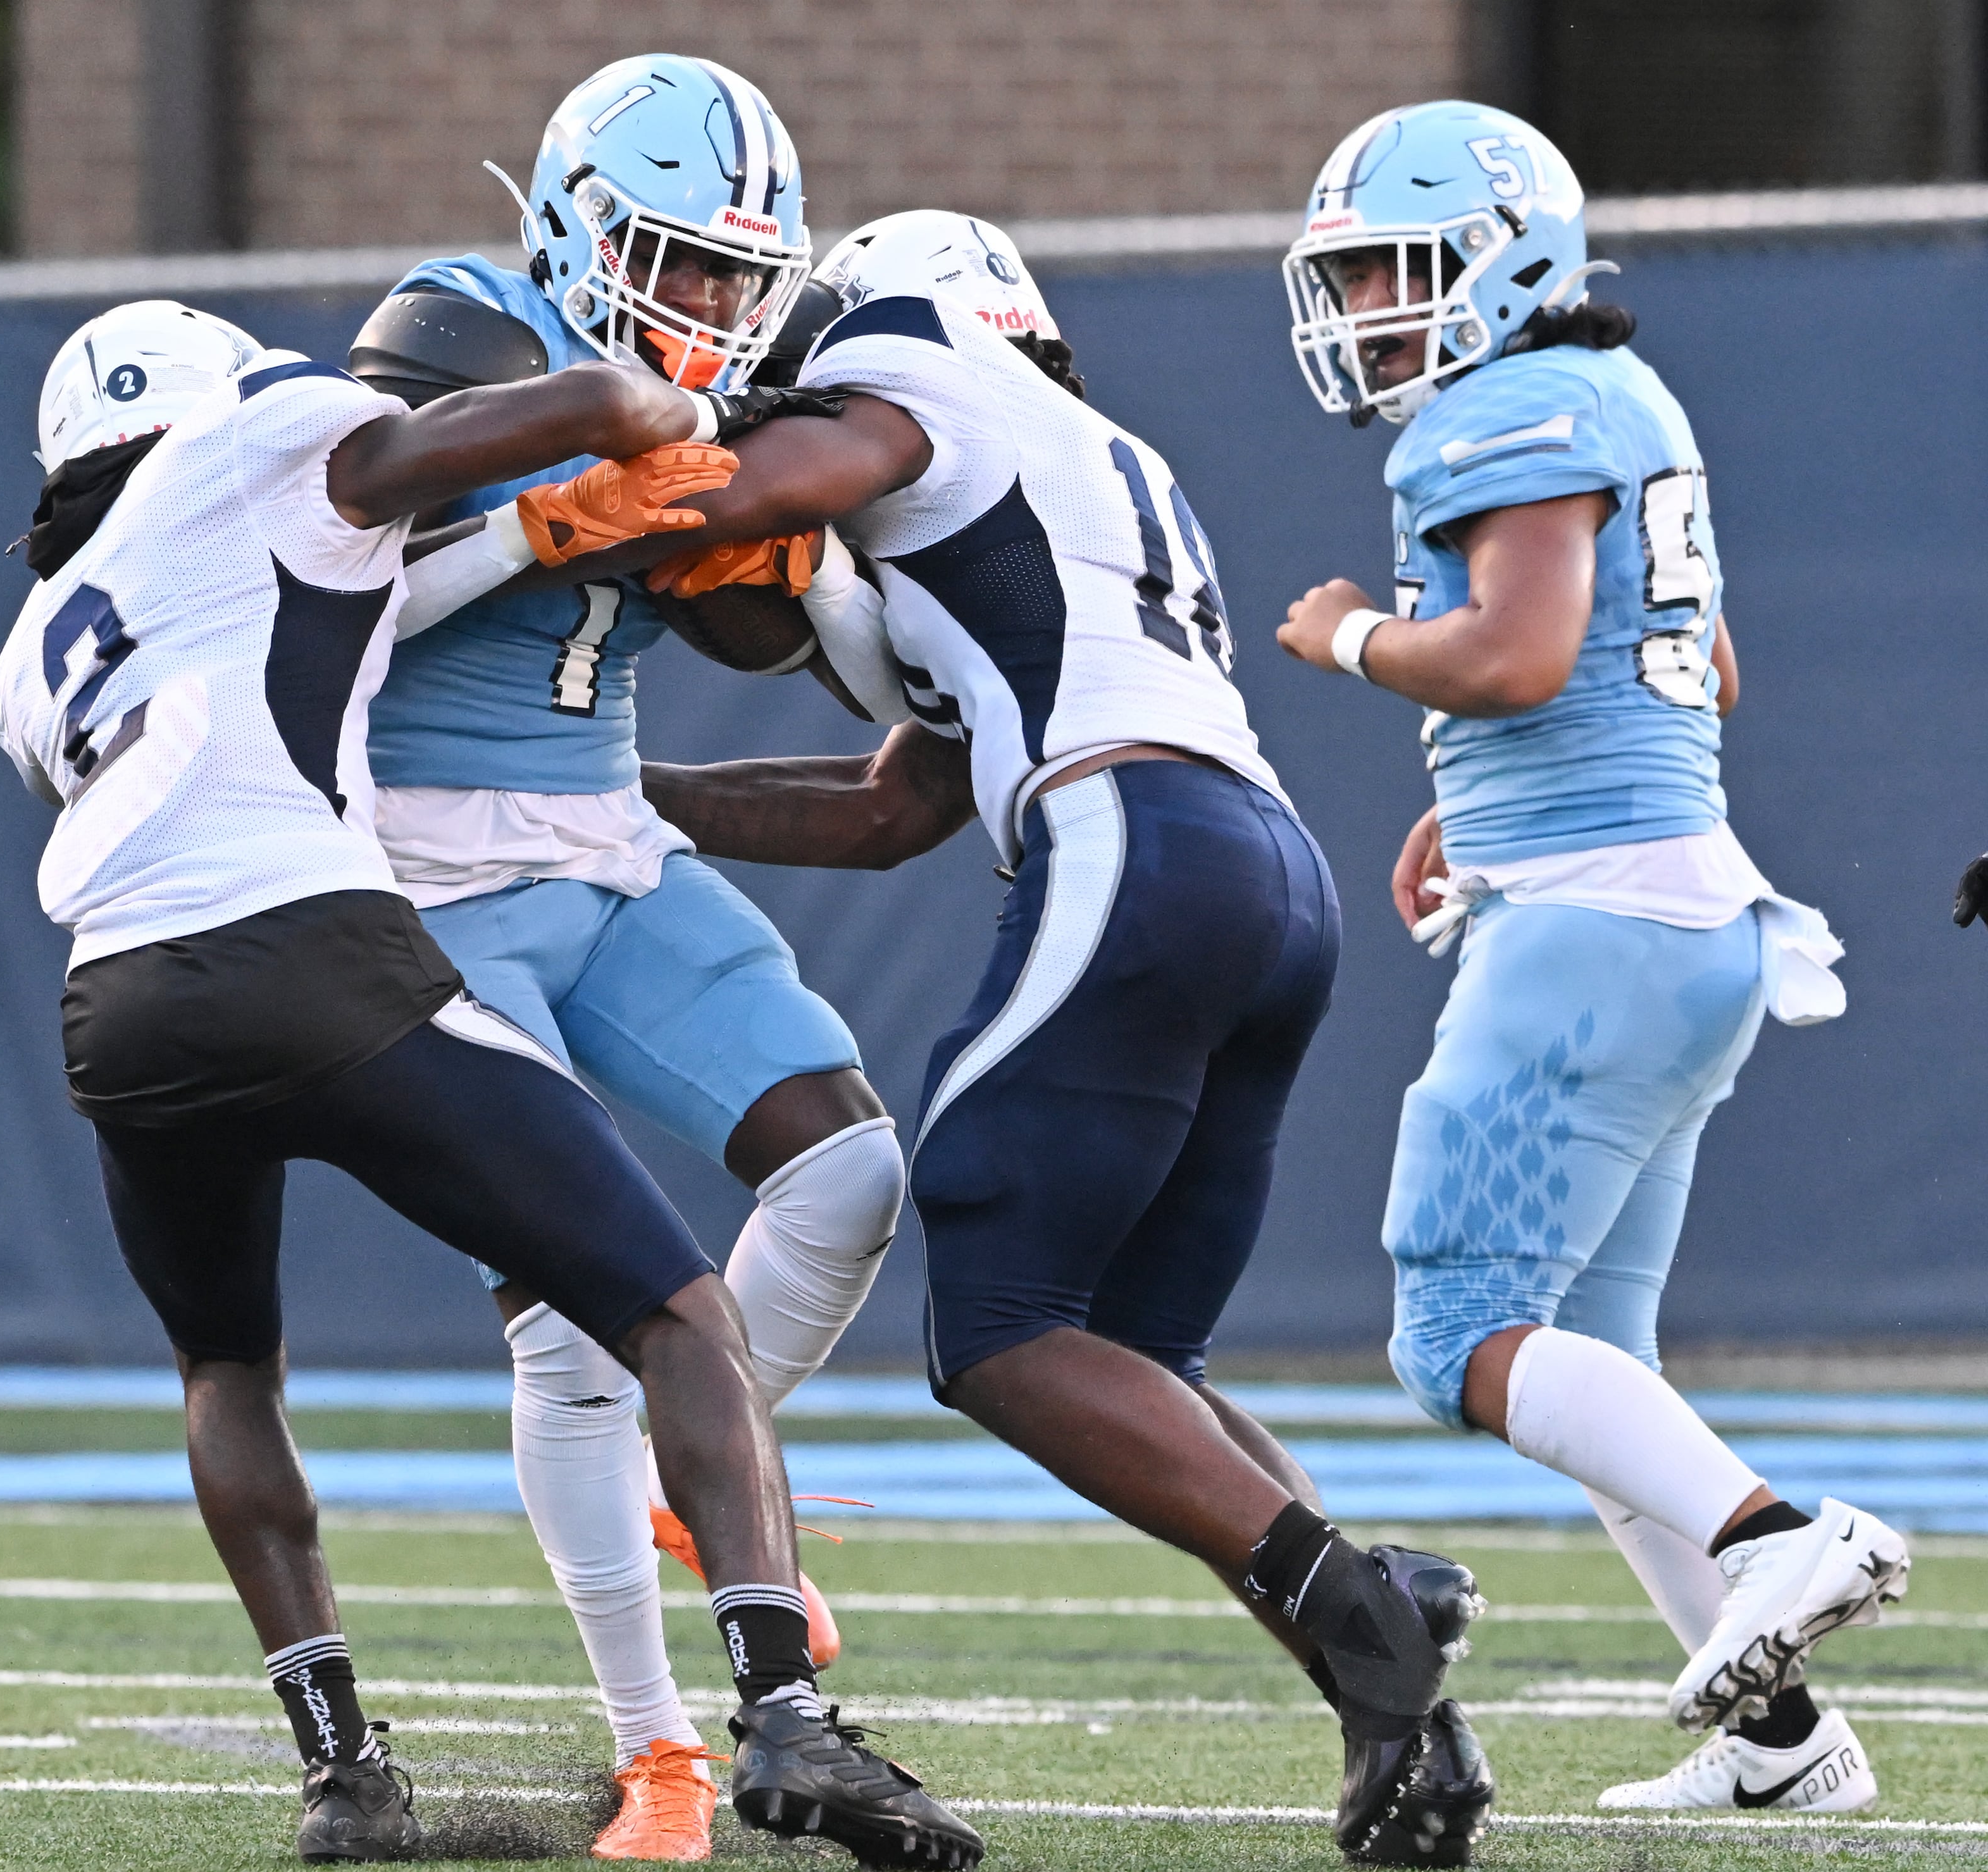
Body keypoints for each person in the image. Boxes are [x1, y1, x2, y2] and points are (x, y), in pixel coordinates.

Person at [0, 297, 983, 1870]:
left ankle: (340, 1775)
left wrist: (524, 540)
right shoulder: (260, 437)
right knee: (673, 1313)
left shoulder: (38, 643)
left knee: (227, 1377)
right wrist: (657, 417)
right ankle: (782, 1718)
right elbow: (559, 403)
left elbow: (307, 631)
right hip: (313, 954)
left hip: (116, 1010)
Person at [568, 211, 1495, 1868]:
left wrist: (573, 496)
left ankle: (1364, 1607)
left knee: (997, 1327)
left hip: (1126, 841)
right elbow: (894, 810)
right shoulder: (1074, 471)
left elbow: (767, 490)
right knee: (1135, 1363)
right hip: (1262, 874)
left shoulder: (908, 367)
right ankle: (1401, 1722)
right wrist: (630, 799)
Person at [1272, 100, 1908, 1816]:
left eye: (1400, 271)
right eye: (1356, 277)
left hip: (1596, 936)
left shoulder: (1510, 408)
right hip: (1684, 917)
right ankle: (1783, 1749)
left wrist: (1353, 639)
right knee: (1589, 1358)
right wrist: (1484, 820)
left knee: (1457, 1328)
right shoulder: (1622, 400)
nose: (1375, 311)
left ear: (1507, 258)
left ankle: (1780, 1536)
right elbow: (1698, 678)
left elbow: (1525, 655)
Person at [342, 56, 905, 1862]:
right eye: (683, 262)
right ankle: (659, 1751)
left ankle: (705, 1469)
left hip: (613, 846)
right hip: (427, 868)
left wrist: (801, 557)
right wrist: (532, 518)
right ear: (577, 228)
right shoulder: (454, 331)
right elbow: (315, 591)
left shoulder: (719, 387)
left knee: (849, 1160)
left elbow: (845, 673)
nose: (722, 311)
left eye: (746, 276)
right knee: (580, 1315)